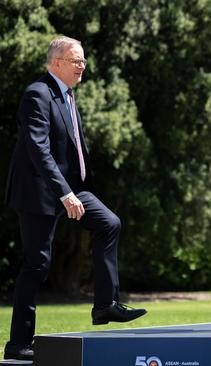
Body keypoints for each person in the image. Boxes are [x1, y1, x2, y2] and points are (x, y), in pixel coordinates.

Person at [3, 36, 146, 360]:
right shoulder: (37, 94)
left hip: (71, 187)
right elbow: (38, 150)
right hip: (39, 190)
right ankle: (18, 345)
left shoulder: (68, 95)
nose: (82, 66)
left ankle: (105, 306)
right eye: (75, 60)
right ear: (56, 63)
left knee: (109, 223)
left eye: (83, 60)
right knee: (37, 264)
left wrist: (75, 188)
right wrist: (65, 192)